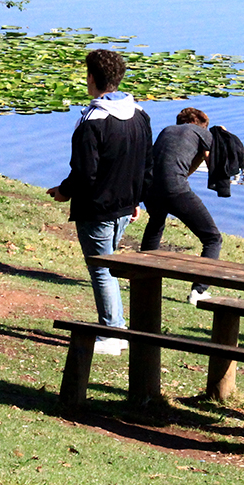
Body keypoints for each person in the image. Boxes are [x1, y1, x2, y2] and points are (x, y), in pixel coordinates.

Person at [48, 49, 153, 358]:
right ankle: (116, 328)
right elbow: (146, 164)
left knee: (101, 270)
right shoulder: (140, 115)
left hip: (98, 208)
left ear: (91, 78)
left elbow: (84, 172)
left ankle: (112, 333)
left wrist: (64, 192)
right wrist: (137, 200)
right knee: (108, 267)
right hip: (125, 206)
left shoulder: (93, 120)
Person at [140, 107, 221, 306]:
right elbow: (214, 167)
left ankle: (142, 280)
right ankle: (199, 291)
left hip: (149, 188)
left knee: (156, 224)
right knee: (212, 238)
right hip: (174, 190)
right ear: (201, 125)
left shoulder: (167, 130)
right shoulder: (203, 133)